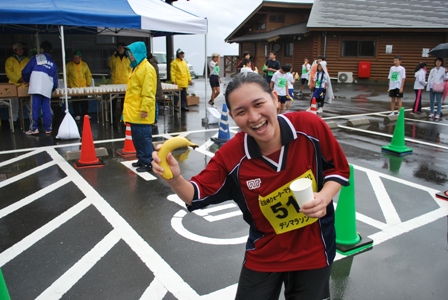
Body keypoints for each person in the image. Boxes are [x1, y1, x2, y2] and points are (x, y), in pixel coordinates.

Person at [151, 72, 350, 300]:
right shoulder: (231, 156)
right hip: (265, 252)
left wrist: (324, 196)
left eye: (259, 104)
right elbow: (195, 195)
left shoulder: (309, 127)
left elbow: (337, 169)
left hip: (314, 248)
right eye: (241, 112)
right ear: (234, 117)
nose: (254, 117)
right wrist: (175, 179)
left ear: (275, 98)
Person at [123, 41, 157, 172]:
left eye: (132, 54)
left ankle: (148, 161)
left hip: (141, 111)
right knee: (137, 137)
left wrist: (145, 109)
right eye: (129, 54)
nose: (130, 56)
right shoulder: (137, 67)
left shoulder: (147, 68)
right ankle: (142, 159)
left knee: (143, 137)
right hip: (135, 111)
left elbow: (148, 92)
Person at [21, 41, 58, 135]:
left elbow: (25, 71)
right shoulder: (53, 63)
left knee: (35, 108)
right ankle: (48, 128)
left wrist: (26, 79)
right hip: (47, 88)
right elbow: (55, 79)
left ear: (42, 49)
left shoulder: (36, 58)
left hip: (36, 86)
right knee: (46, 108)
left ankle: (34, 128)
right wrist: (54, 88)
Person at [5, 43, 30, 126]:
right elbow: (9, 73)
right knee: (13, 104)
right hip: (14, 85)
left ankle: (33, 120)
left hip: (25, 84)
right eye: (18, 49)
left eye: (21, 49)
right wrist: (18, 79)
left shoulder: (26, 59)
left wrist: (26, 79)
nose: (21, 51)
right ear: (14, 51)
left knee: (29, 102)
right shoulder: (10, 60)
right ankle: (13, 121)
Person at [66, 50, 92, 120]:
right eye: (74, 58)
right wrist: (68, 84)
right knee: (75, 101)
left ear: (80, 58)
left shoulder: (84, 65)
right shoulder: (69, 65)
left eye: (77, 58)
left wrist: (88, 83)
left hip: (83, 86)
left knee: (84, 101)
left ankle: (85, 114)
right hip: (73, 87)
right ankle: (77, 114)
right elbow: (66, 75)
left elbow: (88, 75)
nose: (76, 59)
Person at [109, 42, 131, 114]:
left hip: (125, 81)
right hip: (115, 81)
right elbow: (111, 67)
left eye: (121, 48)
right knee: (113, 98)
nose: (120, 49)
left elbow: (130, 69)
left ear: (124, 49)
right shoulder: (113, 57)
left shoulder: (128, 57)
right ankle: (112, 112)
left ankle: (123, 112)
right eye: (118, 48)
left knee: (124, 99)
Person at [148, 52, 163, 125]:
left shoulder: (151, 63)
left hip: (154, 86)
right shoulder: (152, 62)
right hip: (154, 86)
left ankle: (155, 120)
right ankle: (154, 120)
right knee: (154, 103)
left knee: (155, 103)